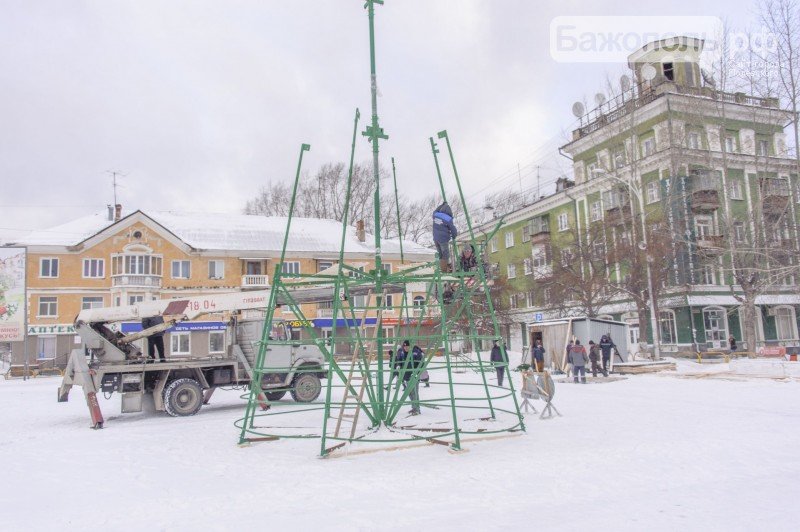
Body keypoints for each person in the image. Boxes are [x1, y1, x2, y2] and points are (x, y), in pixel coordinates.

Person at [395, 340, 423, 415]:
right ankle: (413, 407)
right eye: (404, 346)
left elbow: (421, 363)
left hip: (414, 375)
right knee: (409, 393)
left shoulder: (416, 352)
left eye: (407, 346)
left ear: (410, 346)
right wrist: (398, 365)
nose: (406, 348)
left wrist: (417, 373)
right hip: (406, 375)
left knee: (415, 392)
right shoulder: (401, 352)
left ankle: (417, 409)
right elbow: (399, 360)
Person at [432, 201, 458, 273]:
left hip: (436, 239)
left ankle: (439, 268)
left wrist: (442, 205)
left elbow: (435, 210)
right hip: (443, 239)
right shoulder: (448, 219)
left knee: (440, 254)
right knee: (446, 254)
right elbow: (453, 230)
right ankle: (443, 271)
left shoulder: (435, 215)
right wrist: (454, 236)